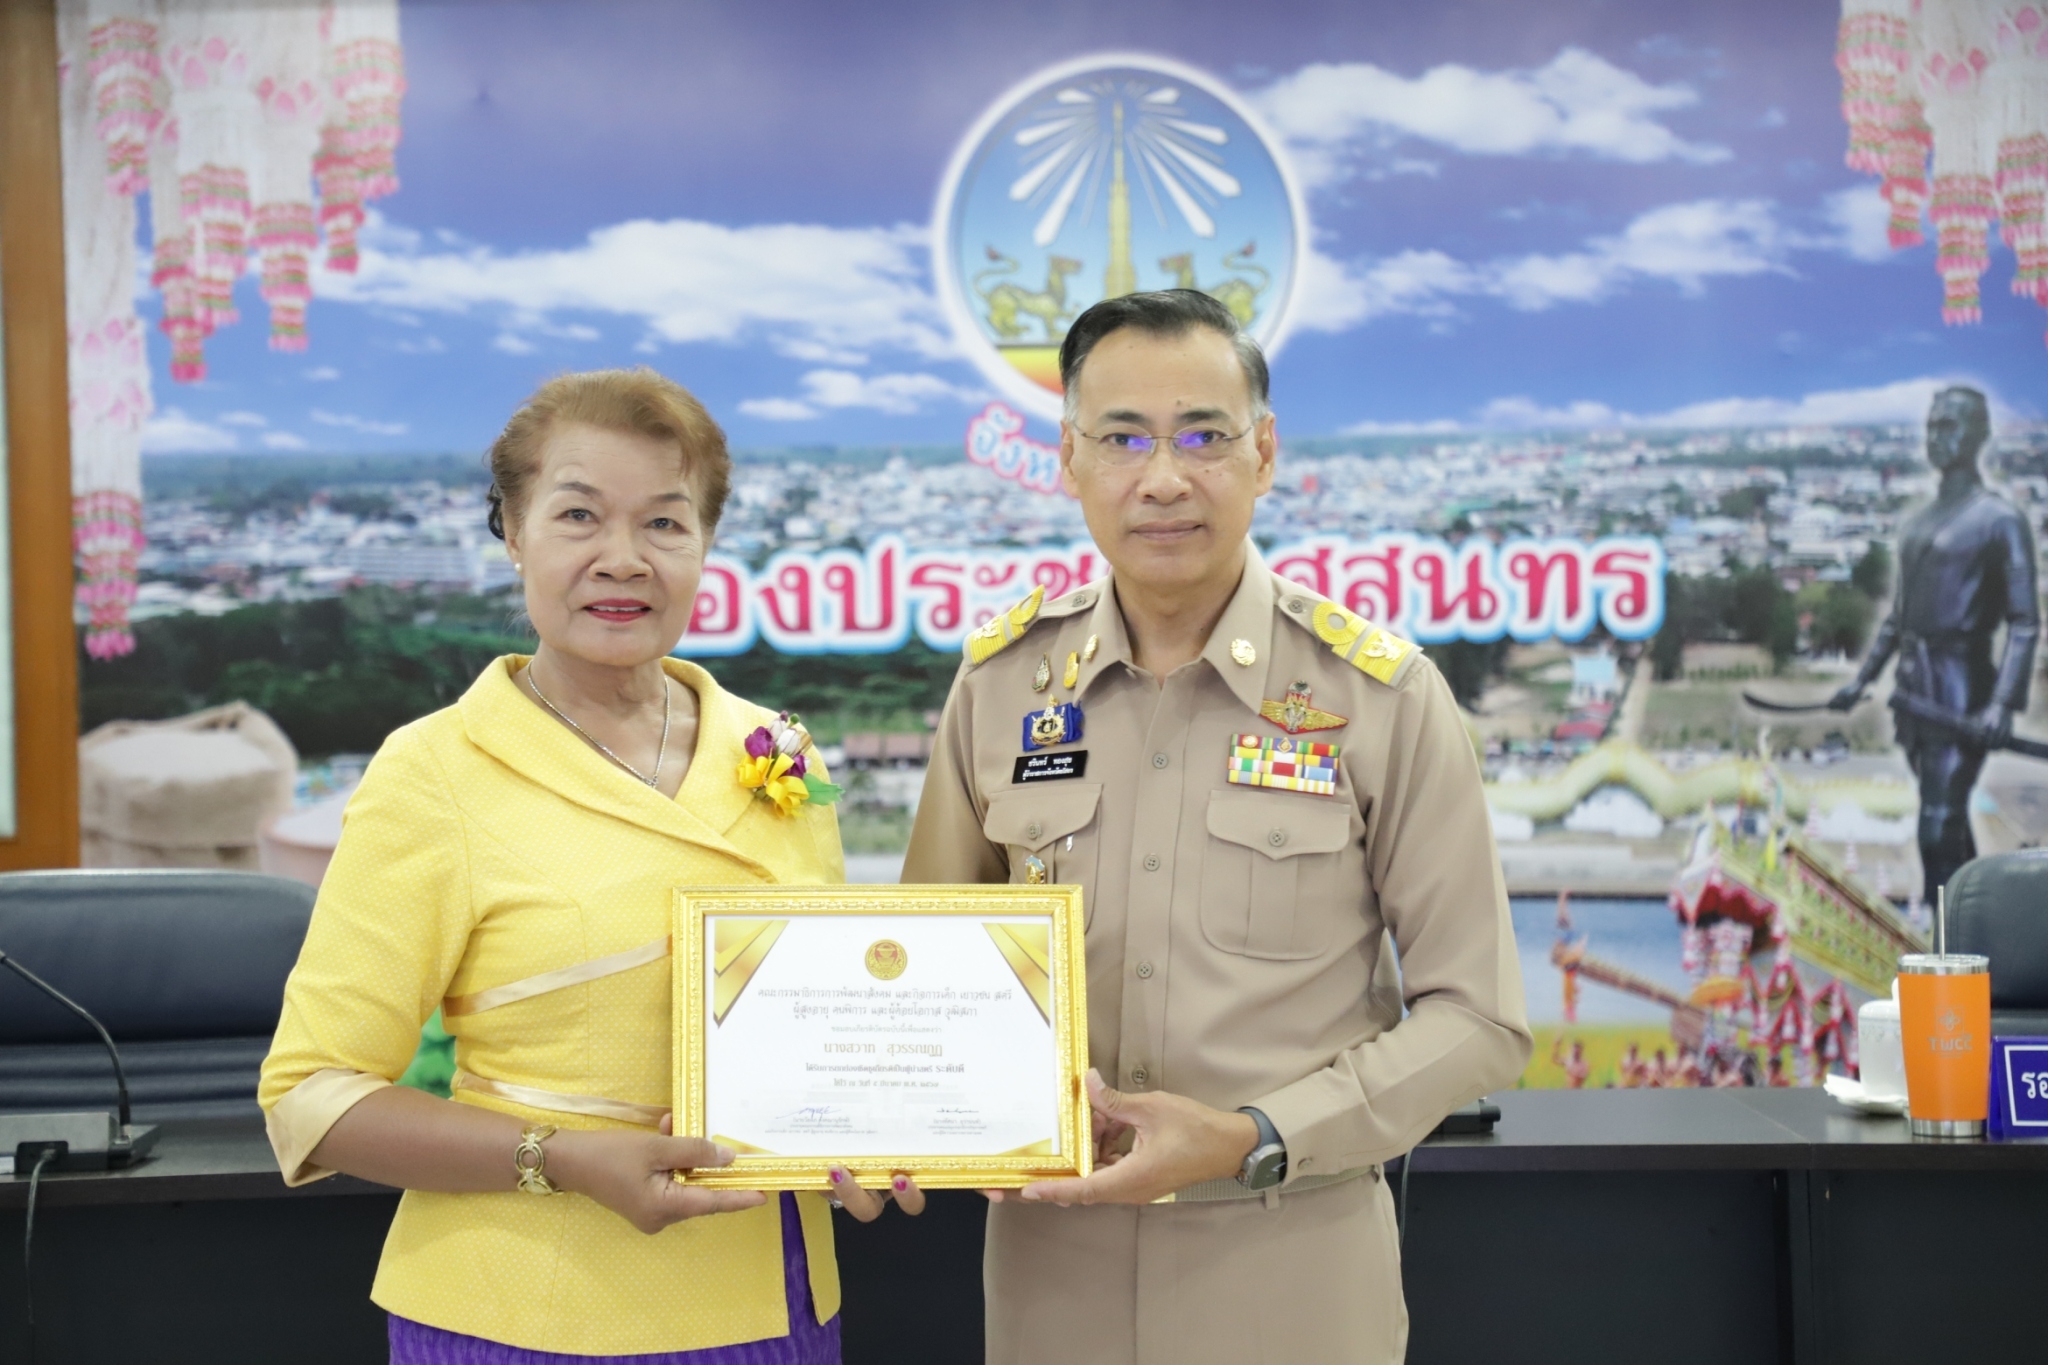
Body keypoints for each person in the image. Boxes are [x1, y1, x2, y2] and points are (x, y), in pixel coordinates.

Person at [901, 290, 1531, 1364]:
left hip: (1289, 1263)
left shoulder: (1379, 695)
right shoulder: (1002, 684)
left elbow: (1480, 1019)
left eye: (1202, 437)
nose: (1161, 478)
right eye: (1121, 439)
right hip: (1053, 1269)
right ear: (1066, 458)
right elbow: (922, 977)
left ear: (1263, 452)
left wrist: (1252, 1139)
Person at [260, 369, 920, 1365]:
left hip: (768, 1301)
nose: (623, 560)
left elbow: (816, 1030)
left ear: (705, 546)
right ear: (513, 531)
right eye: (578, 517)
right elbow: (311, 1094)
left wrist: (878, 1128)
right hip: (520, 1309)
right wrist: (556, 1161)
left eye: (664, 524)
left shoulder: (778, 750)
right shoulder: (432, 772)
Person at [1830, 385, 2040, 902]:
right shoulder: (1918, 523)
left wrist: (2001, 704)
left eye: (1950, 426)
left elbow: (2024, 623)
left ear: (1979, 434)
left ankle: (1945, 954)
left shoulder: (1999, 520)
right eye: (1932, 426)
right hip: (1915, 690)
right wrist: (1862, 679)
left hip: (1962, 688)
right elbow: (1898, 619)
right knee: (1949, 825)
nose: (1936, 437)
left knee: (1936, 826)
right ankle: (1975, 940)